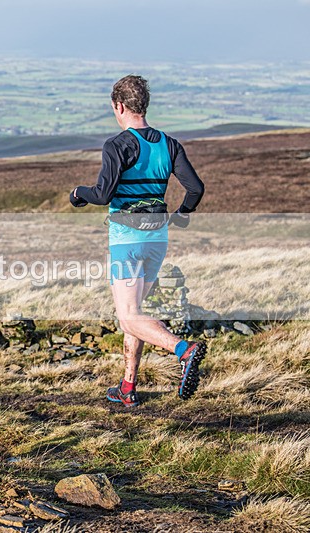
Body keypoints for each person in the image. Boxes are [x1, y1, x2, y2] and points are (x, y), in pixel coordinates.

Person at [71, 75, 206, 407]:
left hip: (127, 238)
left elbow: (102, 194)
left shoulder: (117, 145)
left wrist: (78, 194)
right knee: (136, 311)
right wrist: (182, 214)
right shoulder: (169, 144)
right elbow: (196, 189)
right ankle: (127, 387)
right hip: (158, 238)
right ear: (143, 105)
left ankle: (183, 350)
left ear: (119, 106)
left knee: (128, 315)